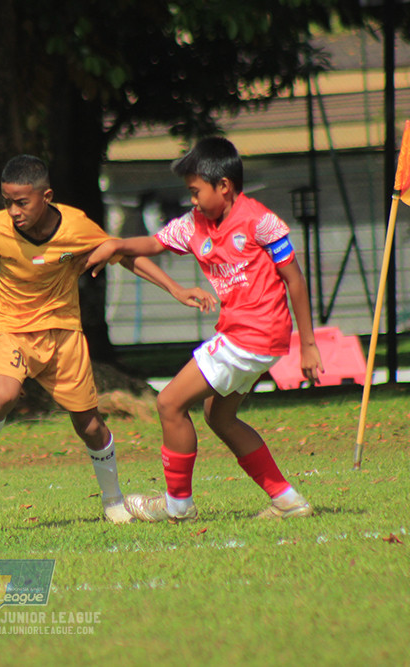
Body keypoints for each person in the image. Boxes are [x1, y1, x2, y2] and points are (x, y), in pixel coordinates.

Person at [0, 154, 216, 525]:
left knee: (90, 426)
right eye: (7, 201)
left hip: (64, 335)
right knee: (3, 394)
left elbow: (123, 254)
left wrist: (175, 289)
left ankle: (113, 501)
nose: (13, 211)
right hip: (13, 329)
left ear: (46, 196)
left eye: (21, 202)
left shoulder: (76, 226)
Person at [85, 137, 323, 521]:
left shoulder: (260, 221)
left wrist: (308, 344)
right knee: (220, 417)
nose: (192, 200)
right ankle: (288, 501)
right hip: (249, 338)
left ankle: (178, 506)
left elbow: (294, 279)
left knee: (169, 403)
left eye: (196, 191)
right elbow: (152, 243)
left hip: (253, 335)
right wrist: (115, 245)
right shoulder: (194, 225)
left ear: (224, 186)